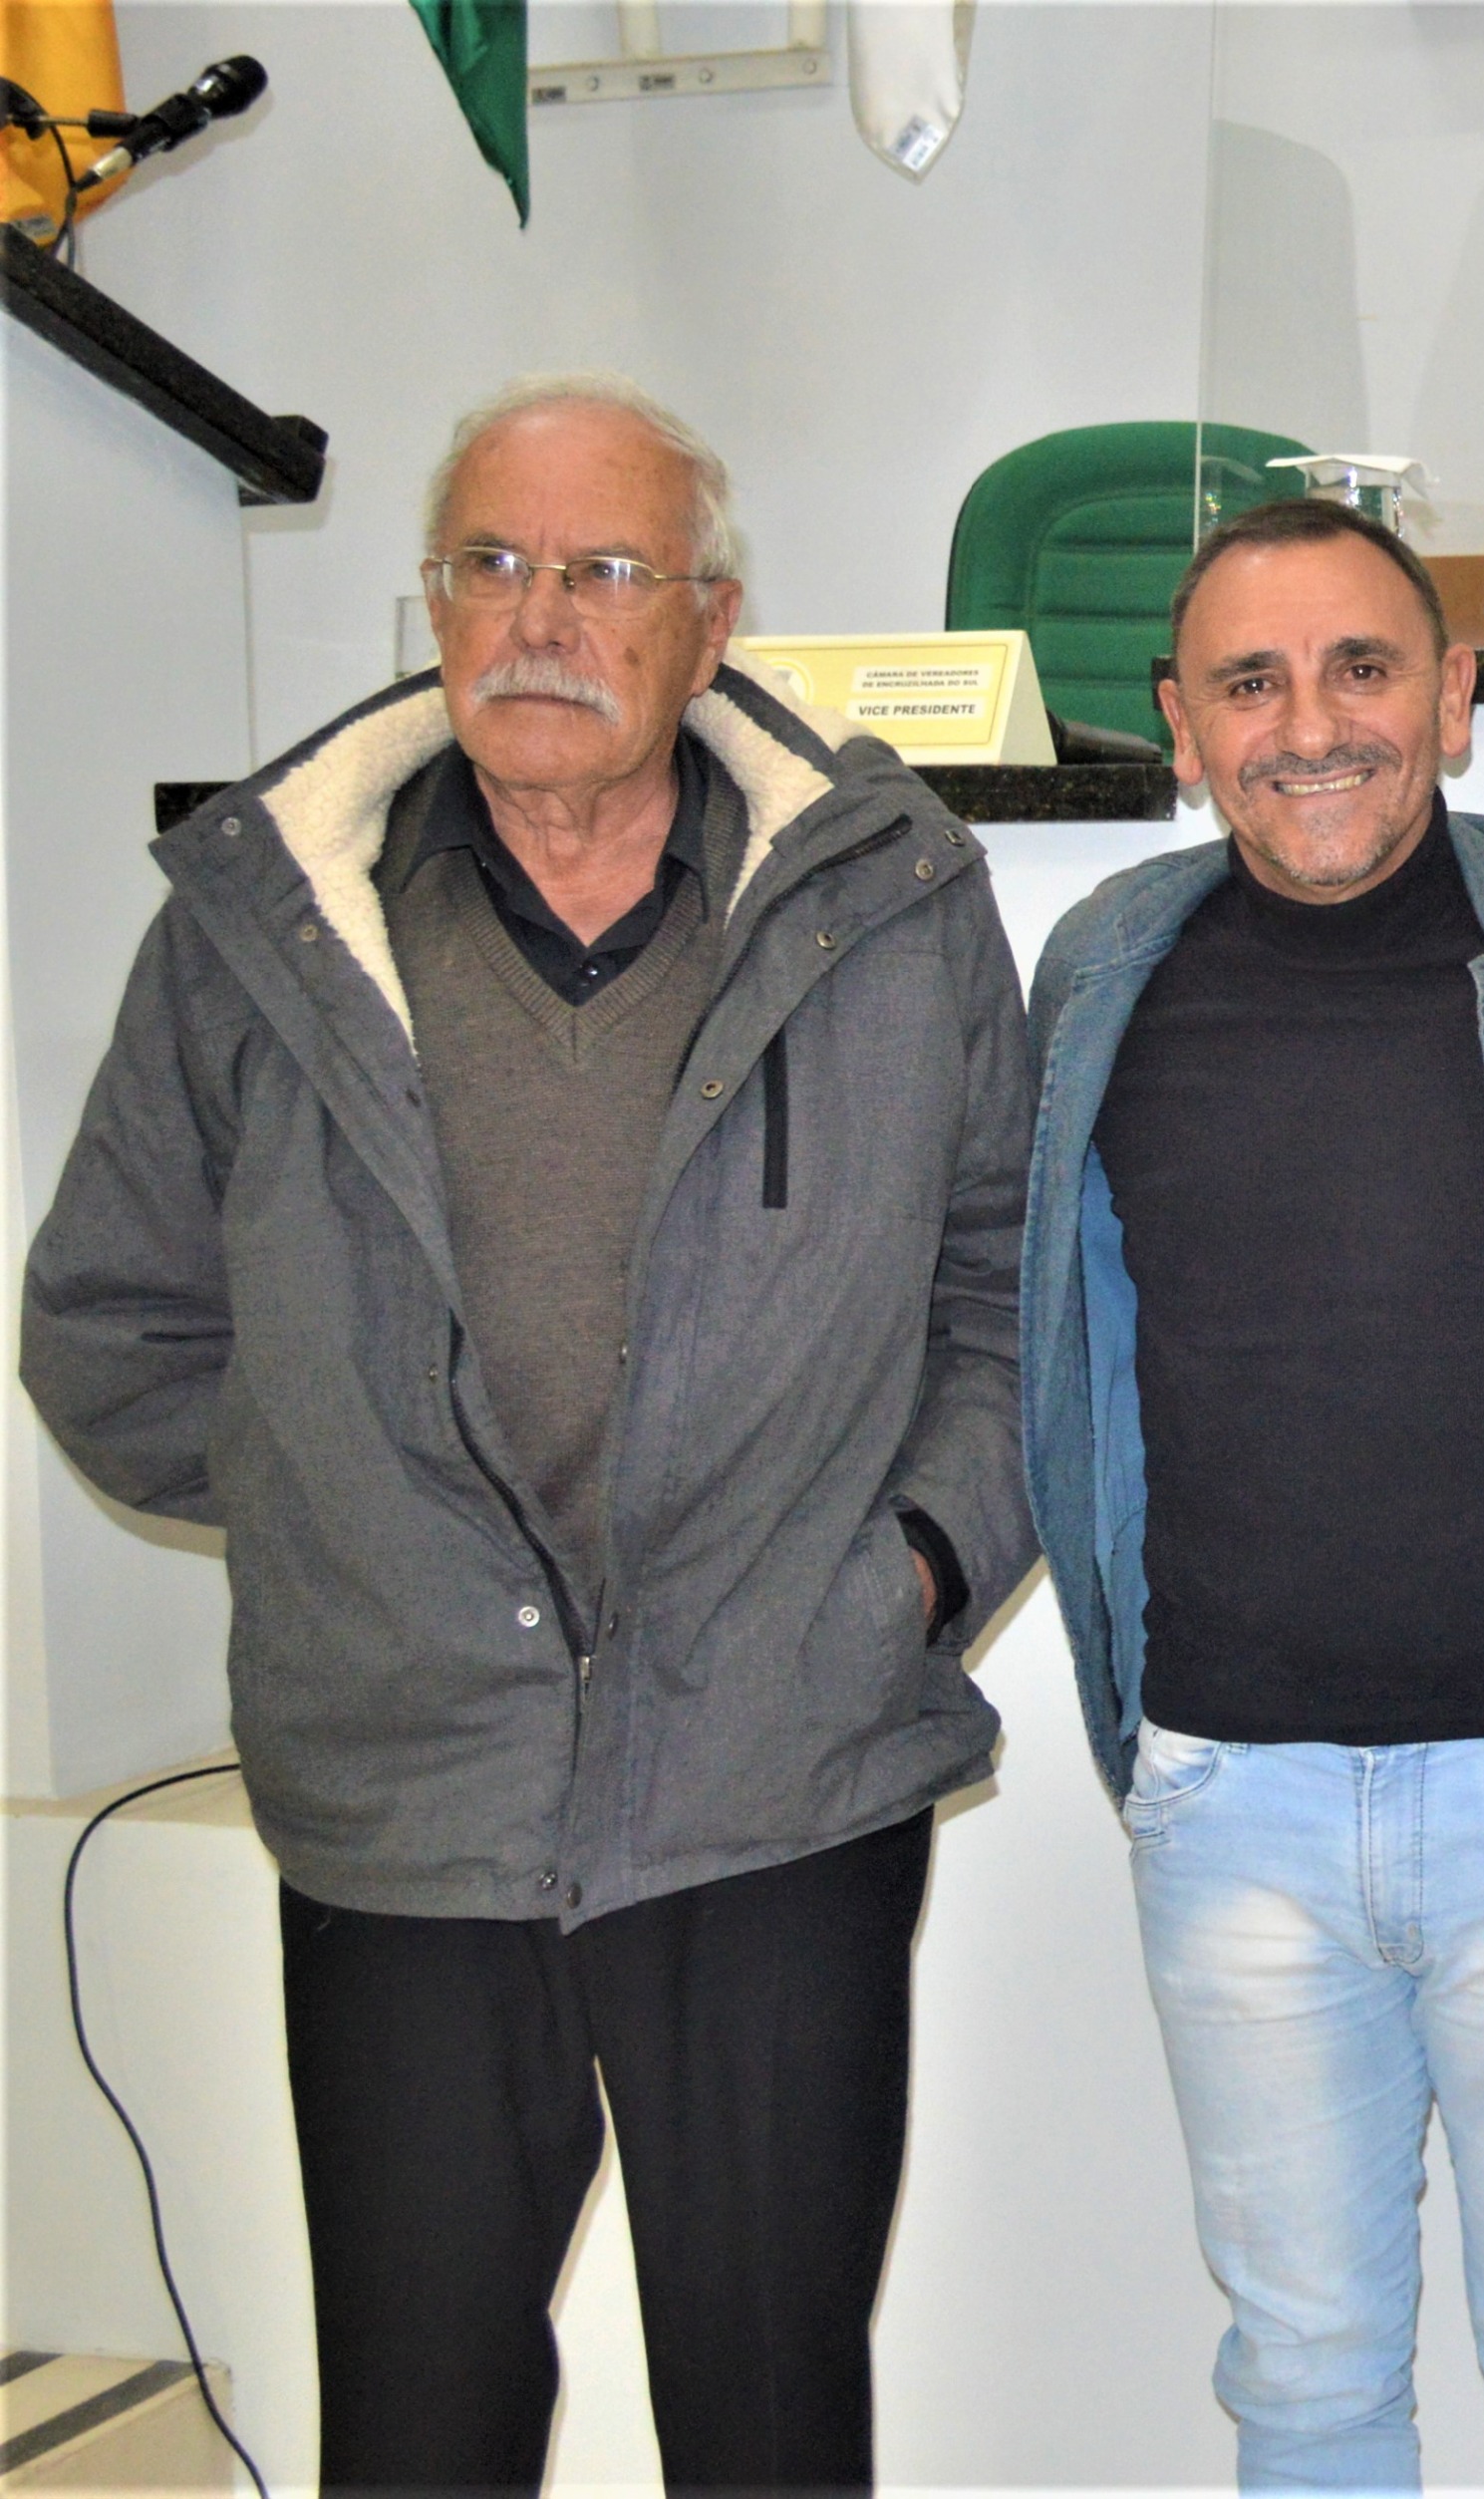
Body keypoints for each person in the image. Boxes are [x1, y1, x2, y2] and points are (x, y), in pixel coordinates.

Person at [22, 372, 1035, 2491]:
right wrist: (351, 1536)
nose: (538, 618)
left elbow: (1007, 1295)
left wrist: (914, 1569)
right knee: (420, 2440)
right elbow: (111, 1327)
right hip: (412, 1800)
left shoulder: (890, 903)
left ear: (712, 621)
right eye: (488, 563)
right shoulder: (265, 925)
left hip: (774, 1780)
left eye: (604, 570)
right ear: (431, 603)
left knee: (774, 2435)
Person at [1018, 491, 1484, 2493]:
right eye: (1249, 683)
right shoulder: (1102, 969)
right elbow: (1035, 1333)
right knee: (1305, 2384)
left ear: (1451, 696)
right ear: (1181, 724)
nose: (1309, 725)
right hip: (1229, 1804)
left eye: (1361, 668)